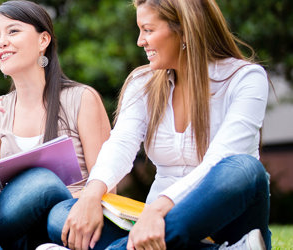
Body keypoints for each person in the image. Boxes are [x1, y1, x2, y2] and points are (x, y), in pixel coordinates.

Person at [48, 0, 271, 249]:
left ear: (185, 30)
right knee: (63, 215)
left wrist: (158, 211)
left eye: (148, 30)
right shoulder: (143, 82)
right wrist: (91, 195)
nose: (140, 41)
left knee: (244, 167)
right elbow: (121, 144)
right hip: (152, 222)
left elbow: (220, 159)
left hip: (221, 222)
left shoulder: (246, 79)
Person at [0, 1, 111, 249]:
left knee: (40, 181)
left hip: (63, 219)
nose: (1, 42)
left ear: (43, 40)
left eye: (13, 31)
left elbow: (108, 184)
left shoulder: (81, 98)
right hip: (12, 230)